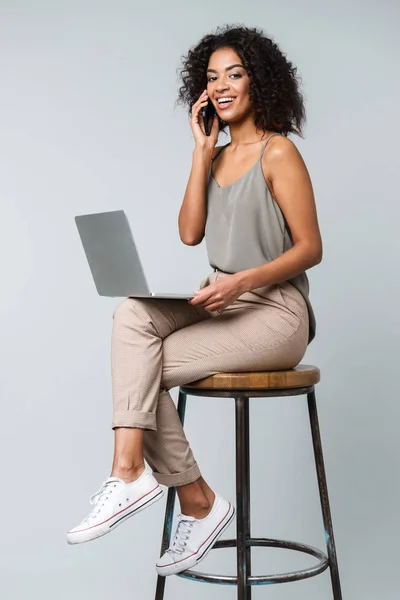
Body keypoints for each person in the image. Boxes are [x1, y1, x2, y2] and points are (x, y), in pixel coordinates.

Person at [66, 24, 322, 578]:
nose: (223, 86)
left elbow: (311, 249)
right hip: (222, 299)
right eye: (212, 78)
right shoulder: (216, 154)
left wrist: (241, 281)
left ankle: (182, 496)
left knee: (142, 369)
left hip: (276, 314)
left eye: (235, 74)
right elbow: (189, 234)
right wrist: (200, 153)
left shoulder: (279, 152)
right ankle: (152, 481)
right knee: (132, 314)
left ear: (260, 80)